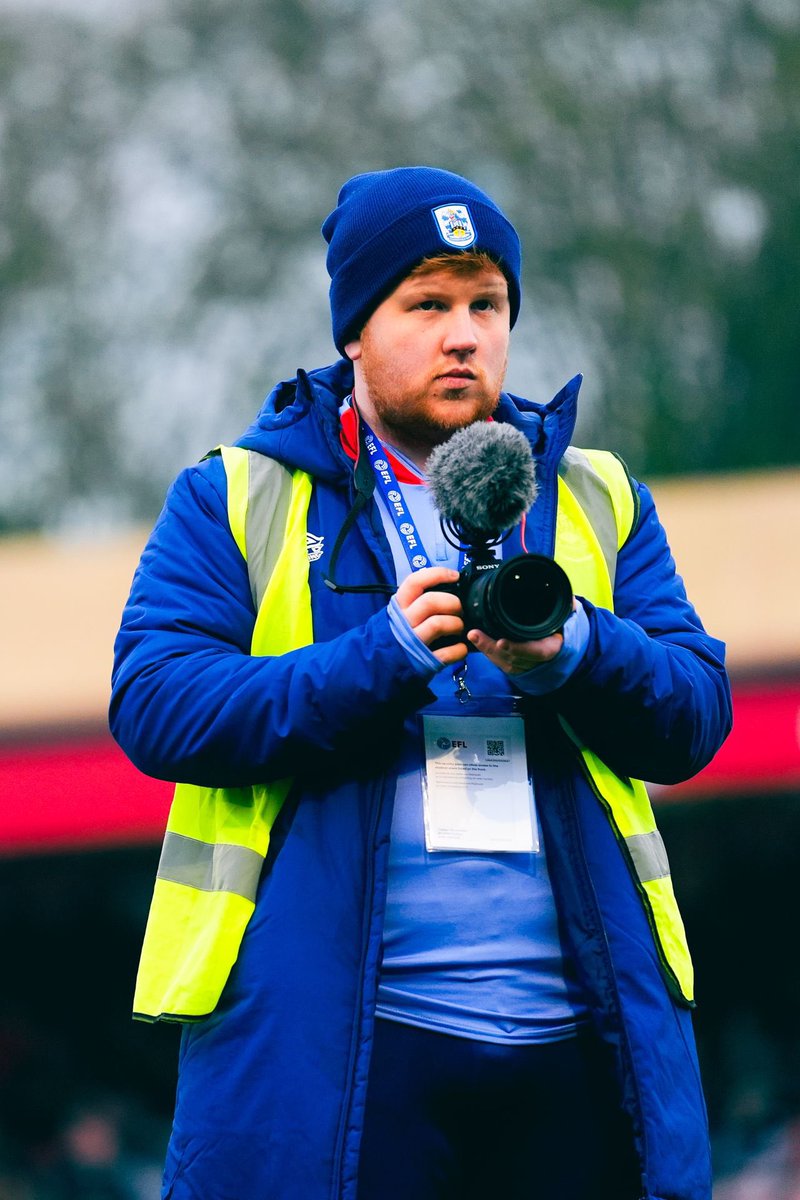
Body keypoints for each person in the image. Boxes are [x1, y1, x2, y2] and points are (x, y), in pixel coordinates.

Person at [110, 166, 732, 1200]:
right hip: (339, 1046)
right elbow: (156, 703)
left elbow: (692, 715)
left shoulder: (593, 492)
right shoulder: (235, 492)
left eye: (486, 305)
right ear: (354, 329)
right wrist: (382, 660)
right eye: (426, 304)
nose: (463, 335)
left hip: (581, 1038)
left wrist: (575, 650)